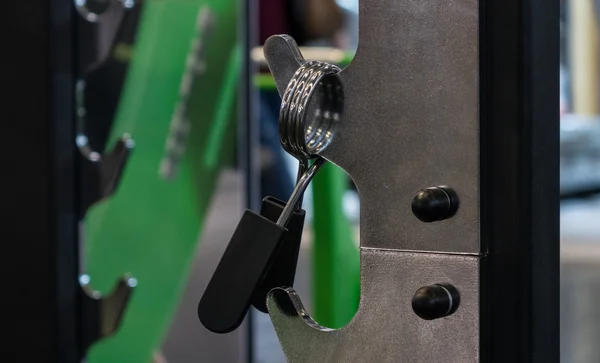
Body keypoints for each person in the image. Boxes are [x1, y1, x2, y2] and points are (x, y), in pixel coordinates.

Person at [258, 0, 344, 200]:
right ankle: (284, 220)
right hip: (264, 74)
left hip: (284, 72)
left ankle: (285, 220)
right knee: (273, 153)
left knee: (280, 153)